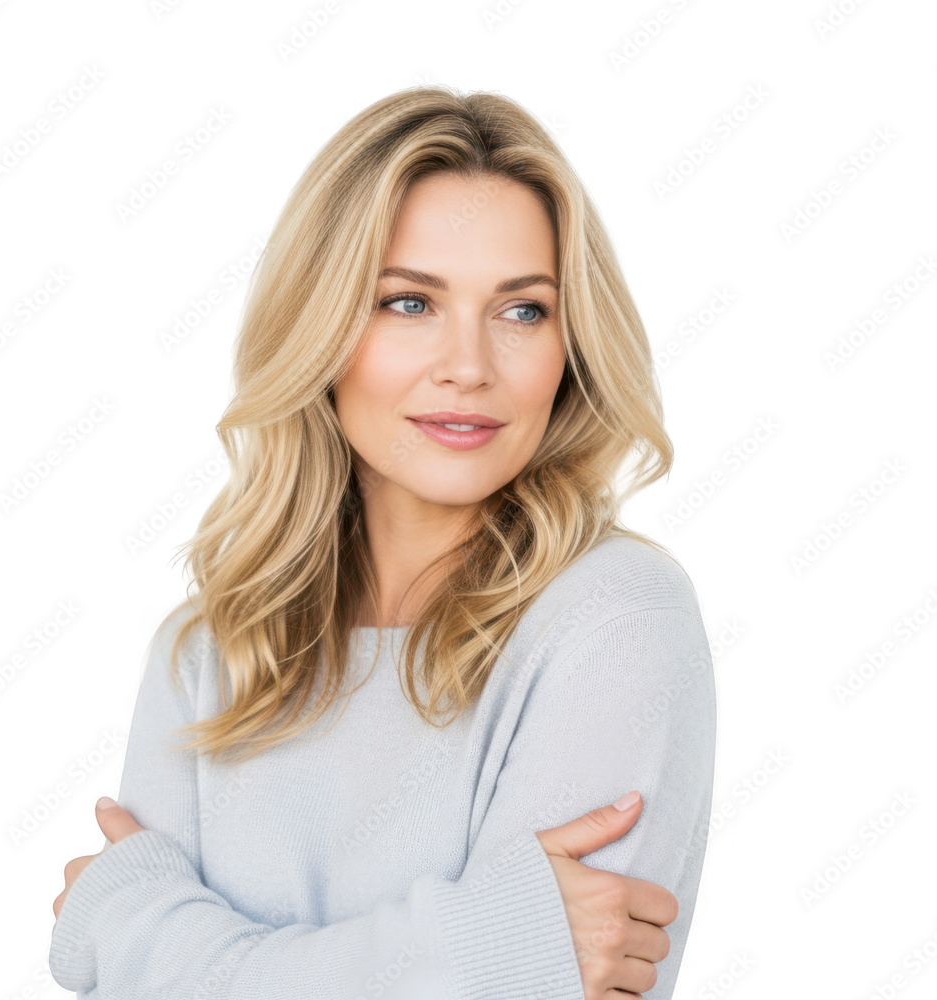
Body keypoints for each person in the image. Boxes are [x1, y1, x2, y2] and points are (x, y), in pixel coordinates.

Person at [49, 85, 716, 1000]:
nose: (469, 367)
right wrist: (476, 957)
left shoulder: (616, 618)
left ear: (573, 346)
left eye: (523, 310)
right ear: (319, 325)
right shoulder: (208, 648)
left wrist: (148, 941)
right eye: (408, 303)